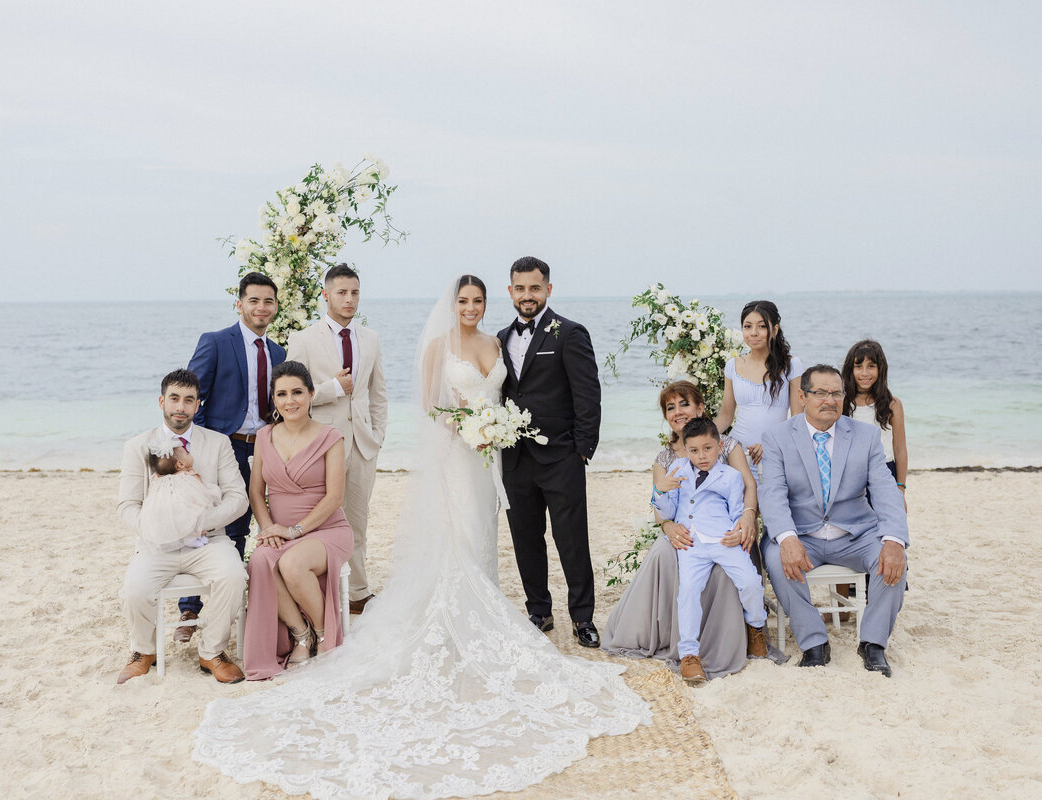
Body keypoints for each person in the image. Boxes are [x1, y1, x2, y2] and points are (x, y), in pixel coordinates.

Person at [193, 275, 649, 797]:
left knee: (495, 532)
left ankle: (550, 613)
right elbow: (431, 406)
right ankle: (474, 611)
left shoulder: (498, 341)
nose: (472, 307)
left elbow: (511, 394)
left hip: (493, 456)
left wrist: (500, 431)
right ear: (453, 304)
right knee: (454, 532)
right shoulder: (437, 345)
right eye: (464, 300)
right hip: (458, 453)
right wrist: (465, 428)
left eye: (479, 300)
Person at [603, 380, 787, 678]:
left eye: (684, 404)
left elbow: (746, 487)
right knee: (671, 560)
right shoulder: (667, 460)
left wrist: (747, 519)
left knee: (745, 578)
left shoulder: (725, 445)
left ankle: (752, 630)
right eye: (670, 407)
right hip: (688, 533)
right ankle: (677, 644)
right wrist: (668, 525)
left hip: (726, 531)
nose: (677, 412)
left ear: (701, 408)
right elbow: (661, 507)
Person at [758, 364, 909, 677]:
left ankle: (872, 643)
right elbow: (772, 494)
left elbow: (885, 490)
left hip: (855, 533)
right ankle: (814, 643)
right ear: (802, 397)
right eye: (821, 393)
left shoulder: (866, 436)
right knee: (776, 557)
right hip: (802, 534)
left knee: (895, 558)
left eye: (837, 393)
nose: (830, 400)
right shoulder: (778, 437)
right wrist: (787, 539)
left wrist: (894, 539)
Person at [115, 369, 248, 685]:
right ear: (162, 401)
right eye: (174, 398)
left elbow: (238, 498)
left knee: (232, 576)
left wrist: (201, 523)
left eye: (189, 400)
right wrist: (155, 528)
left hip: (208, 540)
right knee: (134, 590)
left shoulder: (217, 444)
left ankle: (212, 651)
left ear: (198, 405)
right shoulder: (138, 446)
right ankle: (143, 651)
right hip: (156, 543)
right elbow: (126, 506)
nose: (181, 406)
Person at [497, 256, 603, 648]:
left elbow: (588, 396)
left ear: (548, 290)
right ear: (511, 291)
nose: (528, 295)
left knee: (572, 540)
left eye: (535, 288)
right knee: (526, 538)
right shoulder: (500, 338)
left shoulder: (570, 333)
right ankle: (538, 610)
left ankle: (583, 618)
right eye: (520, 288)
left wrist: (581, 451)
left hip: (561, 457)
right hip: (515, 459)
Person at [176, 273, 287, 642]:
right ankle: (190, 607)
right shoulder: (216, 342)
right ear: (239, 304)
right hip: (226, 445)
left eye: (268, 301)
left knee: (271, 517)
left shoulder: (279, 353)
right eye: (253, 300)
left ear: (275, 306)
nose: (261, 307)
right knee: (222, 523)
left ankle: (250, 597)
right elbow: (192, 396)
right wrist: (205, 442)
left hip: (267, 446)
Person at [284, 264, 387, 614]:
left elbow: (378, 395)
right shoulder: (303, 339)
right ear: (325, 295)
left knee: (358, 518)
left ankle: (358, 591)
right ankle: (322, 588)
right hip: (320, 446)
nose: (349, 299)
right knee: (323, 518)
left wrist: (378, 435)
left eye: (355, 292)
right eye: (341, 292)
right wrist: (330, 389)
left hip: (362, 445)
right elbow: (288, 395)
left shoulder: (370, 338)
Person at [241, 361, 353, 680]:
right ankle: (300, 633)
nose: (290, 401)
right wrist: (268, 530)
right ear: (274, 400)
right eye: (282, 394)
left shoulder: (331, 437)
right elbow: (255, 491)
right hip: (280, 532)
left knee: (291, 565)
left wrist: (294, 531)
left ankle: (322, 634)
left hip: (326, 530)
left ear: (311, 395)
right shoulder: (264, 436)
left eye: (297, 393)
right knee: (260, 560)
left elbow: (335, 498)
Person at [652, 418, 768, 683]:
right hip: (691, 543)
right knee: (689, 591)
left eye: (707, 448)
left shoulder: (731, 476)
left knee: (751, 582)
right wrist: (661, 491)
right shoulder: (678, 470)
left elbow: (738, 511)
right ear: (685, 449)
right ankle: (689, 655)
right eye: (694, 450)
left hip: (724, 538)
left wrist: (738, 533)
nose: (701, 456)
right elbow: (666, 512)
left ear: (719, 446)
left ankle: (756, 626)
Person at [714, 300, 803, 482]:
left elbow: (797, 420)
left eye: (762, 326)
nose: (753, 332)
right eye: (747, 326)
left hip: (776, 453)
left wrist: (772, 444)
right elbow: (726, 417)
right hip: (736, 454)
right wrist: (697, 439)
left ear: (775, 329)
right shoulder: (733, 365)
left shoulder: (792, 365)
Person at [842, 339, 908, 504]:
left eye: (871, 366)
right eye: (858, 366)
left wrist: (900, 487)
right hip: (849, 473)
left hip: (884, 471)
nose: (864, 373)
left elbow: (899, 448)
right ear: (850, 370)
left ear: (881, 369)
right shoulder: (841, 402)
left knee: (887, 524)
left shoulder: (892, 404)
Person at [138, 430, 220, 551]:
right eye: (186, 453)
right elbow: (201, 491)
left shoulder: (156, 480)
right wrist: (214, 493)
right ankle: (192, 538)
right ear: (181, 464)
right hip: (184, 511)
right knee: (191, 515)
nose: (189, 453)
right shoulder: (187, 477)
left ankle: (175, 539)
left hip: (162, 515)